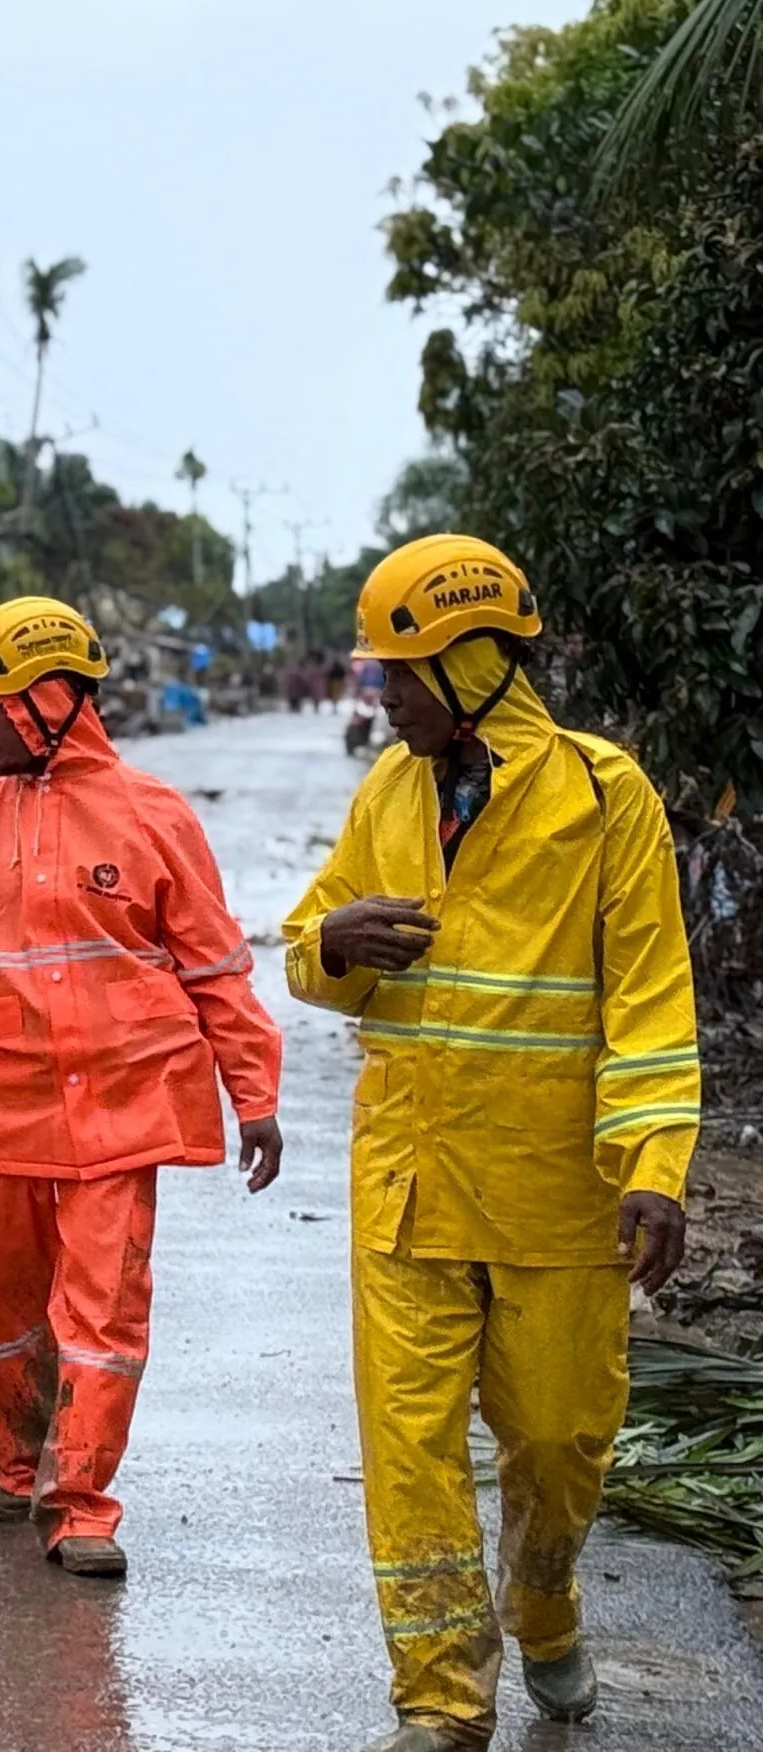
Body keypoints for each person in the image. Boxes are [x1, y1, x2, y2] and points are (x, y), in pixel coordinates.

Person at [284, 535, 700, 1751]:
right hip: (407, 1185)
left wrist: (656, 1171)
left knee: (560, 1438)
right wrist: (333, 946)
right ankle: (439, 1700)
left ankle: (544, 1599)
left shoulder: (600, 797)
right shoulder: (387, 795)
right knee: (407, 1448)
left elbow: (650, 1003)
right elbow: (313, 944)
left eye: (400, 673)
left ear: (471, 662)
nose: (384, 696)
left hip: (558, 1199)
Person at [0, 597, 284, 1578]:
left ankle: (81, 1500)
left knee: (101, 1318)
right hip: (1, 1118)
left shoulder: (154, 817)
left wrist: (251, 1095)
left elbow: (217, 968)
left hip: (122, 1119)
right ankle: (15, 1467)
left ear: (49, 700)